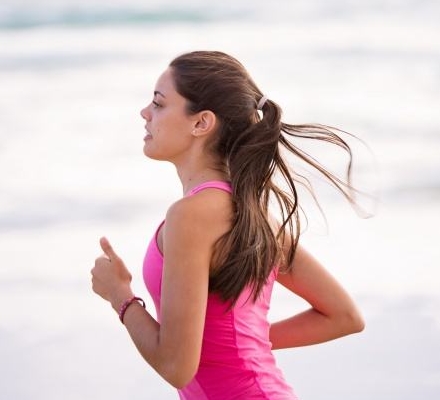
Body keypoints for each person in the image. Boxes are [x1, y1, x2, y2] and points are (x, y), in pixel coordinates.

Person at [90, 50, 365, 400]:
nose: (145, 113)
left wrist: (120, 297)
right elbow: (343, 315)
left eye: (159, 104)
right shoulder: (251, 212)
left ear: (201, 123)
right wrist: (243, 346)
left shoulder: (190, 216)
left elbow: (176, 366)